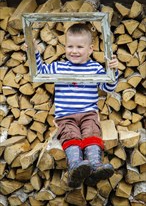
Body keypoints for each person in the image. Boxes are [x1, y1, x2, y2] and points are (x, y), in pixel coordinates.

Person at [33, 23, 118, 188]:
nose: (74, 51)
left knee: (92, 132)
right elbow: (40, 72)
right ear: (65, 47)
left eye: (80, 47)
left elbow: (108, 87)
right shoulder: (59, 66)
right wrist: (35, 52)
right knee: (70, 134)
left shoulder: (94, 68)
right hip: (66, 115)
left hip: (89, 114)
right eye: (70, 46)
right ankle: (75, 167)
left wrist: (112, 71)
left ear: (91, 49)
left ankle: (95, 165)